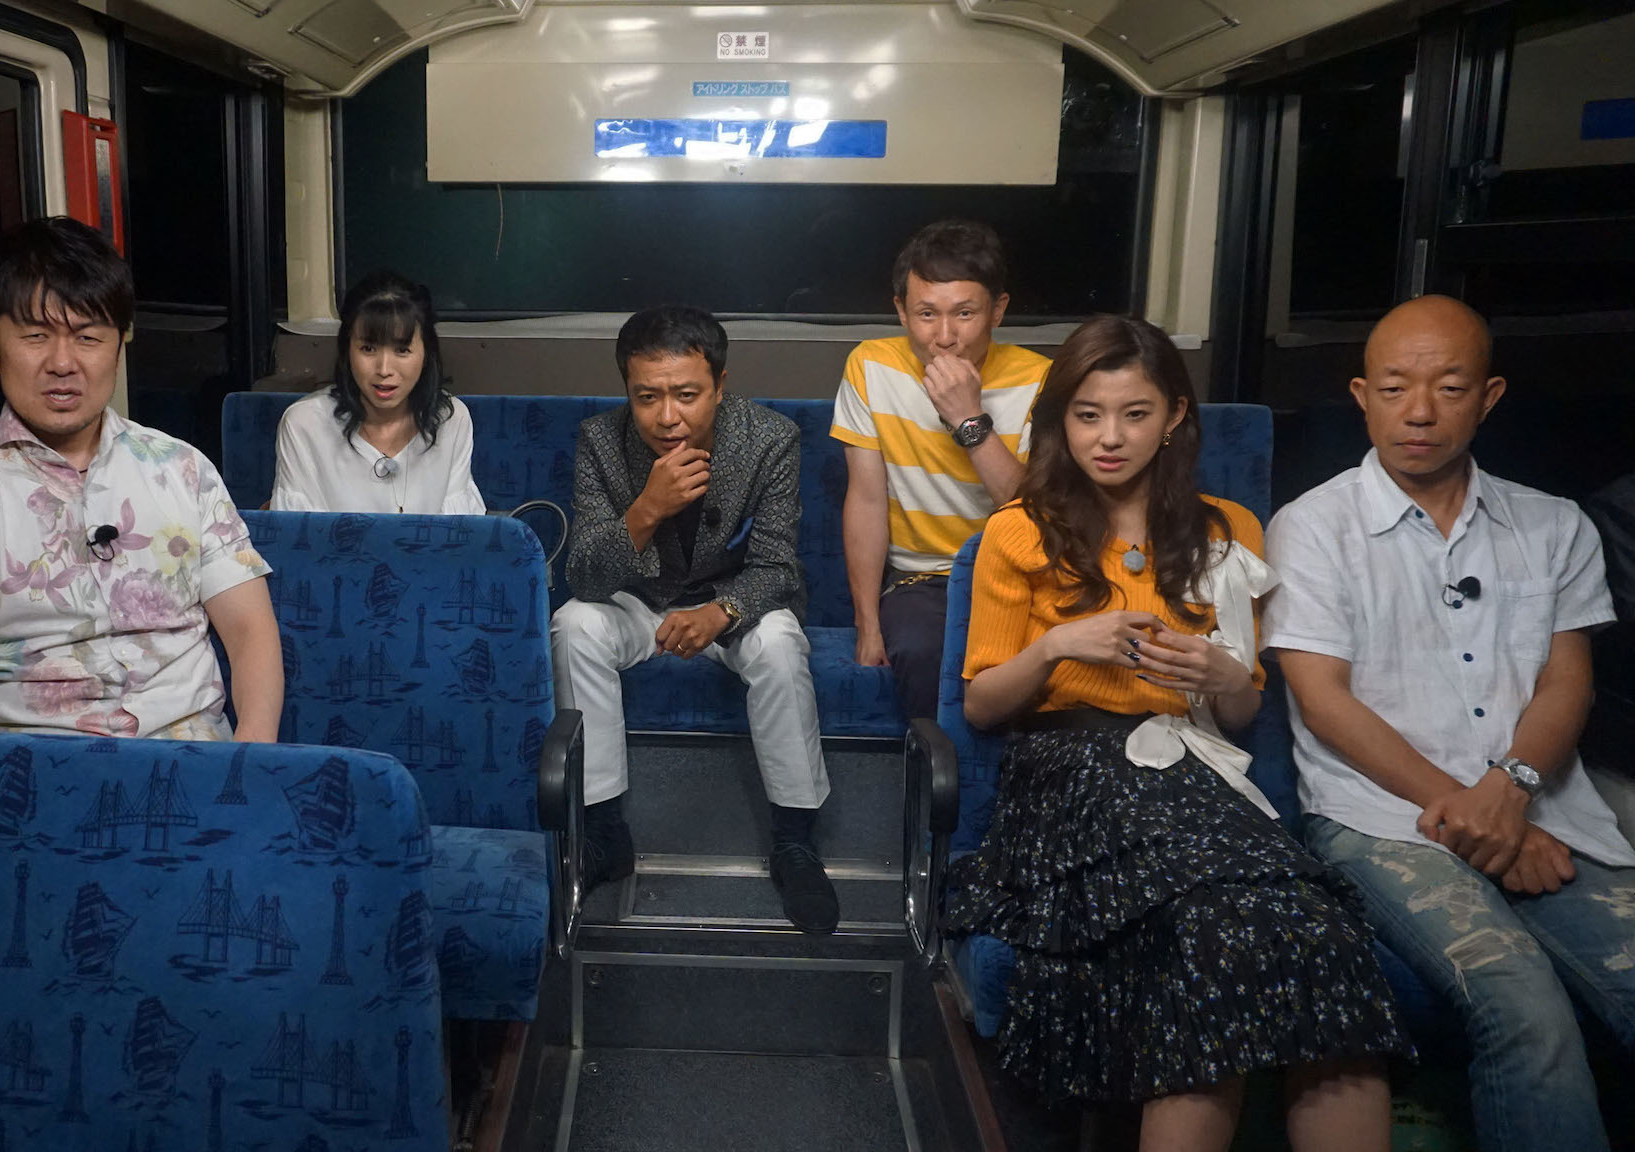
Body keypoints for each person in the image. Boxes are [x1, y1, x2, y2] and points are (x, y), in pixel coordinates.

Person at [945, 315, 1408, 1149]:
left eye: (1135, 414)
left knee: (1323, 933)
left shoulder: (1229, 530)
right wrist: (1057, 645)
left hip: (1194, 765)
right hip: (1070, 772)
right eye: (1088, 415)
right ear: (1060, 421)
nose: (1109, 438)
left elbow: (1241, 713)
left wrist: (1225, 676)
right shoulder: (1020, 529)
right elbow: (981, 705)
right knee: (1212, 930)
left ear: (1174, 418)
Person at [1264, 294, 1635, 1152]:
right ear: (1363, 397)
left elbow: (1567, 683)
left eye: (1450, 387)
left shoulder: (1554, 526)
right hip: (1381, 819)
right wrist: (1475, 812)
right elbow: (1325, 702)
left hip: (1543, 810)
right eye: (1395, 388)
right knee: (1525, 1010)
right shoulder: (1312, 527)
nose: (1420, 411)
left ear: (1489, 397)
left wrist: (1510, 791)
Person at [0, 216, 280, 742]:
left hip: (194, 762)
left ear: (120, 344)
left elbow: (251, 633)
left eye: (88, 337)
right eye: (35, 335)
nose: (62, 363)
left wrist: (250, 764)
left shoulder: (183, 469)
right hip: (31, 774)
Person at [551, 306, 836, 933]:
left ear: (720, 385)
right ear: (627, 389)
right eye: (646, 396)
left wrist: (721, 612)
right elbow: (585, 578)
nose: (666, 417)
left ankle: (795, 840)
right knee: (573, 625)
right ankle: (603, 832)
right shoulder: (601, 440)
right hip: (638, 602)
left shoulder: (769, 439)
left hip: (729, 602)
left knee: (780, 642)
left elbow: (778, 568)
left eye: (686, 395)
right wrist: (645, 511)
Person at [833, 219, 1053, 720]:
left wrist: (968, 419)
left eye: (965, 313)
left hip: (1019, 573)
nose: (945, 337)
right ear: (901, 312)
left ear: (998, 310)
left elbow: (1035, 513)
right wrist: (868, 625)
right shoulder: (871, 367)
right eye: (927, 314)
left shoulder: (1041, 380)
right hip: (920, 580)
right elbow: (865, 500)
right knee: (923, 651)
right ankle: (941, 770)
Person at [269, 271, 484, 514]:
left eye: (402, 350)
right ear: (346, 350)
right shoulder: (304, 424)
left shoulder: (450, 418)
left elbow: (460, 529)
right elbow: (299, 531)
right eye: (368, 349)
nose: (384, 369)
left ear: (426, 353)